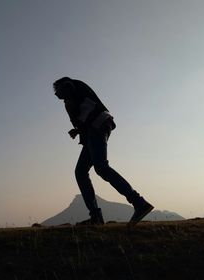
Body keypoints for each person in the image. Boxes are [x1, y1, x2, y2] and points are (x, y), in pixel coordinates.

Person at [53, 77, 153, 226]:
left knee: (101, 167)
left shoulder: (70, 89)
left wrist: (69, 105)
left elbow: (74, 99)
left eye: (57, 90)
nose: (56, 95)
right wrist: (77, 130)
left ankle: (139, 203)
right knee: (81, 172)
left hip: (97, 126)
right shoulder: (74, 92)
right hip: (94, 128)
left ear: (63, 86)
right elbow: (83, 112)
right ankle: (96, 216)